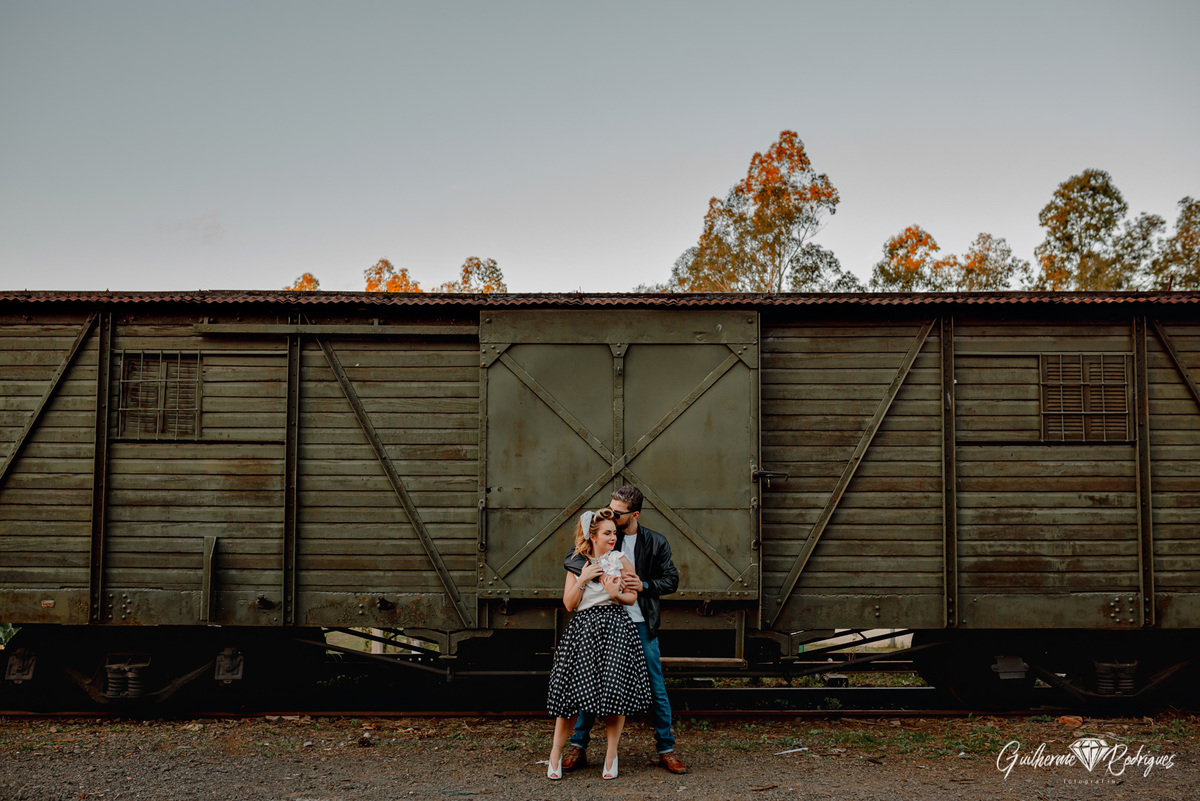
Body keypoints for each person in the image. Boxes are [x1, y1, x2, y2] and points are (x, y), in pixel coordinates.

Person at [561, 485, 688, 774]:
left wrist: (644, 584)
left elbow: (671, 580)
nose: (611, 515)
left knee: (655, 686)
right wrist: (592, 574)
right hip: (604, 623)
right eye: (610, 508)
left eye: (618, 513)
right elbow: (573, 558)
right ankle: (578, 746)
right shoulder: (605, 533)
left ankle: (666, 750)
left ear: (635, 515)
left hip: (640, 623)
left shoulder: (655, 542)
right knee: (590, 683)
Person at [545, 508, 651, 781]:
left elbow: (632, 598)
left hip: (616, 628)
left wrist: (617, 593)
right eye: (607, 533)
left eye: (614, 533)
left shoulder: (620, 560)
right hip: (584, 631)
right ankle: (555, 754)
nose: (613, 537)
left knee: (615, 695)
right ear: (593, 536)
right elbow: (570, 605)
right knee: (570, 696)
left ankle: (611, 756)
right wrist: (582, 579)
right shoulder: (576, 562)